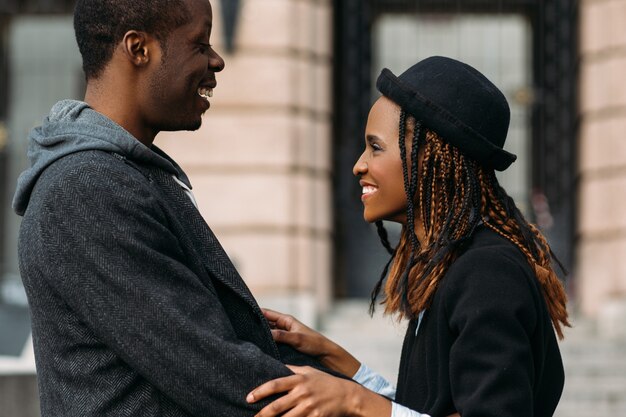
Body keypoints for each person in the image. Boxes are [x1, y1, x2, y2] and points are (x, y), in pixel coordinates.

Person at [12, 0, 342, 415]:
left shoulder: (123, 174)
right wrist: (368, 405)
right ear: (138, 49)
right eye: (200, 44)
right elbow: (215, 371)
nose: (216, 61)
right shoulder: (85, 189)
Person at [246, 56, 570, 417]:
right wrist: (336, 360)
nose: (359, 164)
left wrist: (353, 401)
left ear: (430, 155)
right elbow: (426, 409)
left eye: (376, 147)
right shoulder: (450, 265)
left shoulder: (486, 272)